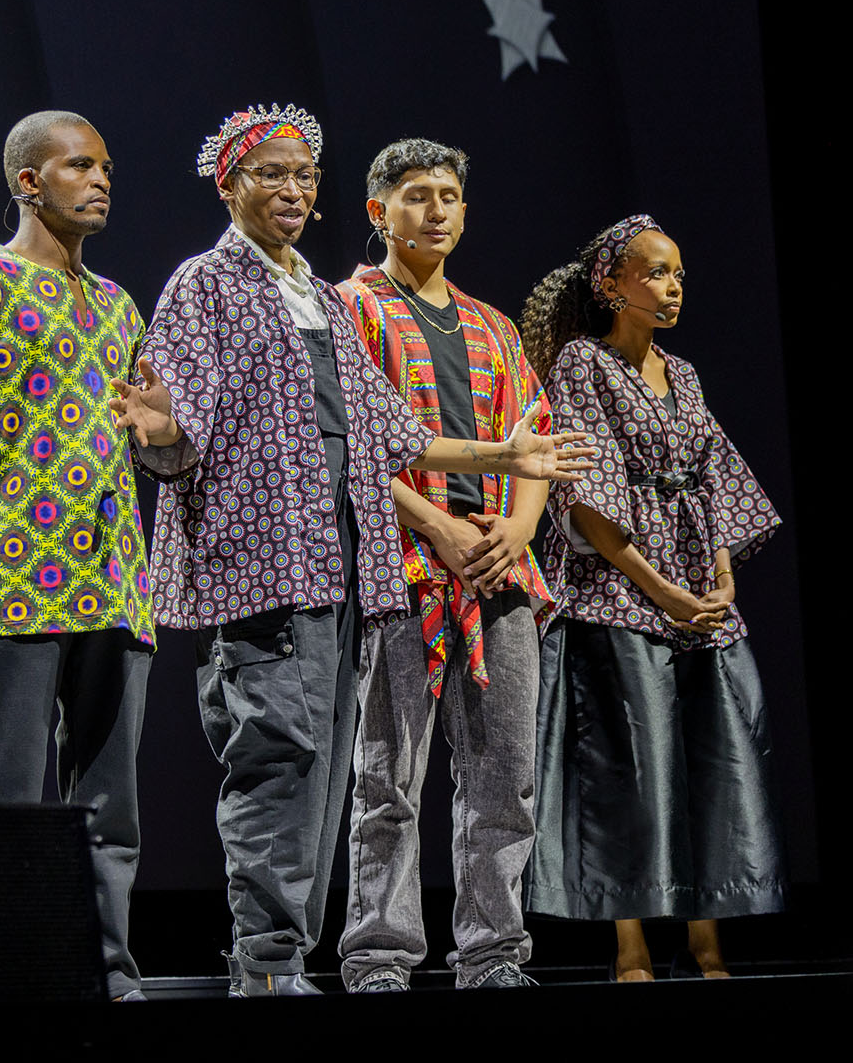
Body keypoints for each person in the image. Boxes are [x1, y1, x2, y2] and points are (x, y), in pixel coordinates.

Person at [110, 104, 592, 997]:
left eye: (304, 175)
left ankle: (307, 959)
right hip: (266, 565)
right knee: (288, 760)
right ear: (230, 182)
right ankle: (279, 963)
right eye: (272, 173)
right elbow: (174, 427)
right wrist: (161, 430)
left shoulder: (317, 295)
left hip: (340, 568)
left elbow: (389, 430)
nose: (293, 189)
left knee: (329, 768)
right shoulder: (206, 284)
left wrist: (506, 462)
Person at [0, 111, 153, 1002]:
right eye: (80, 165)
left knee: (110, 800)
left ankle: (105, 969)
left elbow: (147, 432)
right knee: (9, 792)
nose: (101, 179)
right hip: (16, 581)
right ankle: (3, 973)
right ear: (28, 182)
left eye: (107, 166)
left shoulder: (118, 303)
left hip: (115, 582)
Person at [519, 214, 786, 981]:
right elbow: (588, 496)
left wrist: (721, 577)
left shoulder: (685, 373)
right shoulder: (584, 363)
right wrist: (662, 590)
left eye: (678, 275)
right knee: (631, 768)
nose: (673, 288)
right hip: (620, 592)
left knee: (714, 759)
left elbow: (716, 480)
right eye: (657, 272)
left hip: (696, 593)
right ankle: (630, 946)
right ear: (611, 283)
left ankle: (706, 942)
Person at [332, 138, 554, 992]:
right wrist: (439, 529)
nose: (436, 210)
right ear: (378, 210)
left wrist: (515, 531)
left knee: (505, 778)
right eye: (417, 194)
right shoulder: (352, 310)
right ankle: (379, 954)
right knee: (388, 775)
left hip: (499, 570)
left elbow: (533, 441)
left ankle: (493, 952)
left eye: (449, 195)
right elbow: (351, 445)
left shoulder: (493, 325)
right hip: (406, 568)